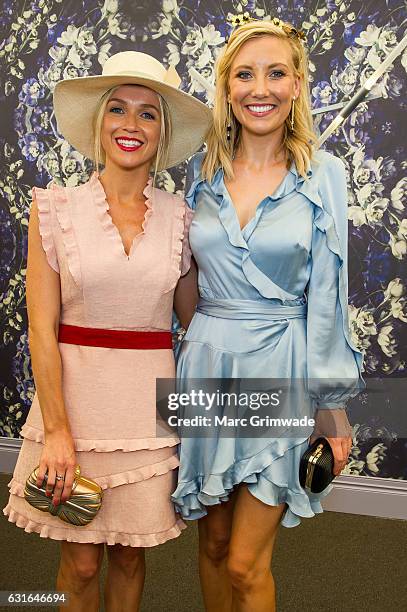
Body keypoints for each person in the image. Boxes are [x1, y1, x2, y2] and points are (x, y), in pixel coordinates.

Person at [3, 51, 211, 612]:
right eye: (118, 108)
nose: (130, 124)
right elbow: (41, 332)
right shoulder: (52, 208)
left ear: (162, 133)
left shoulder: (182, 217)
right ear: (99, 123)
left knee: (128, 554)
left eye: (147, 113)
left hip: (148, 411)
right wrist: (58, 431)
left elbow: (198, 322)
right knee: (81, 559)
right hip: (72, 406)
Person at [172, 18, 365, 612]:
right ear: (227, 88)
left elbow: (329, 296)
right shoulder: (199, 176)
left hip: (281, 366)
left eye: (276, 73)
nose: (261, 88)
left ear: (298, 84)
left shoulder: (323, 176)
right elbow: (185, 288)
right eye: (245, 74)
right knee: (211, 546)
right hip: (204, 363)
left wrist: (330, 408)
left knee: (245, 563)